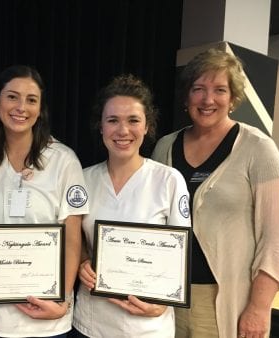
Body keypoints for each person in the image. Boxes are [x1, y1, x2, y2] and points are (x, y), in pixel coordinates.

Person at [151, 48, 279, 338]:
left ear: (233, 98)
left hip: (225, 302)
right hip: (165, 298)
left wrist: (259, 307)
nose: (207, 99)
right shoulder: (165, 147)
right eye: (198, 89)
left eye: (219, 90)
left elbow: (278, 241)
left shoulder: (258, 150)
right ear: (187, 96)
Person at [0, 65, 89, 338]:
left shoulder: (63, 161)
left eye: (31, 99)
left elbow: (73, 238)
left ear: (40, 108)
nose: (21, 107)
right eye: (12, 96)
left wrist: (62, 300)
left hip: (42, 317)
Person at [71, 74, 191, 338]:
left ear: (147, 126)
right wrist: (82, 263)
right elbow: (74, 239)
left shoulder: (168, 181)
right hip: (92, 324)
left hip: (147, 327)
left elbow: (180, 253)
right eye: (112, 120)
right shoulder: (83, 179)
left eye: (133, 120)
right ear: (100, 126)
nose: (123, 131)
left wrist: (162, 304)